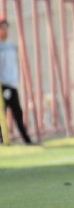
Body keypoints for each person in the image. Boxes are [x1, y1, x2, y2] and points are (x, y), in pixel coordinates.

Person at [0, 17, 33, 145]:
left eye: (6, 28)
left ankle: (26, 140)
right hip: (2, 86)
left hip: (11, 84)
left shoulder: (10, 45)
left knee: (17, 113)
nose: (5, 31)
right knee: (2, 114)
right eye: (2, 28)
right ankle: (4, 140)